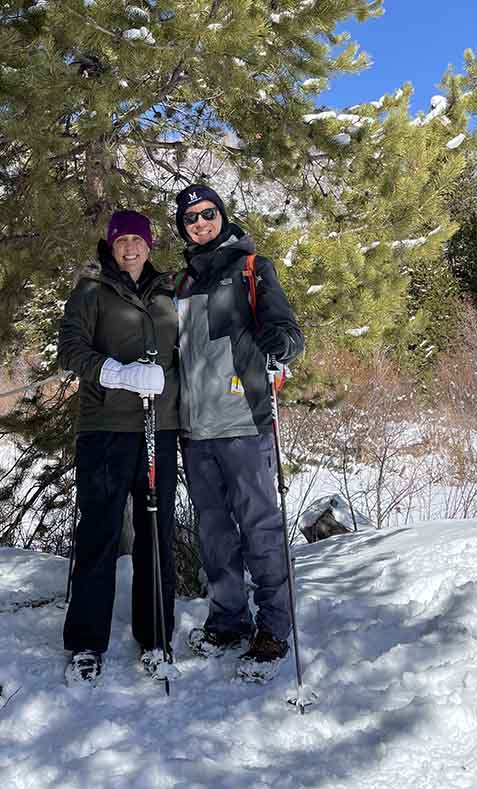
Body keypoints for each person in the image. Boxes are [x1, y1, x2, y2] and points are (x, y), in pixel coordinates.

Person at [174, 184, 305, 683]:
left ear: (222, 216)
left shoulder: (252, 268)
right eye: (191, 218)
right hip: (196, 428)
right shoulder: (181, 282)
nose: (201, 223)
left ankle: (274, 625)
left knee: (260, 526)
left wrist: (283, 344)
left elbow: (285, 327)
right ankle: (228, 619)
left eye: (208, 214)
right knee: (214, 533)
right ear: (183, 227)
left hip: (244, 419)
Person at [58, 210, 179, 686]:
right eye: (121, 240)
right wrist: (119, 373)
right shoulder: (91, 291)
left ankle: (156, 636)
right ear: (110, 246)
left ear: (150, 245)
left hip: (160, 428)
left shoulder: (168, 293)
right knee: (100, 532)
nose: (130, 247)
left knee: (156, 532)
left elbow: (190, 352)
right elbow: (70, 350)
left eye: (138, 239)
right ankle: (87, 642)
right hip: (106, 428)